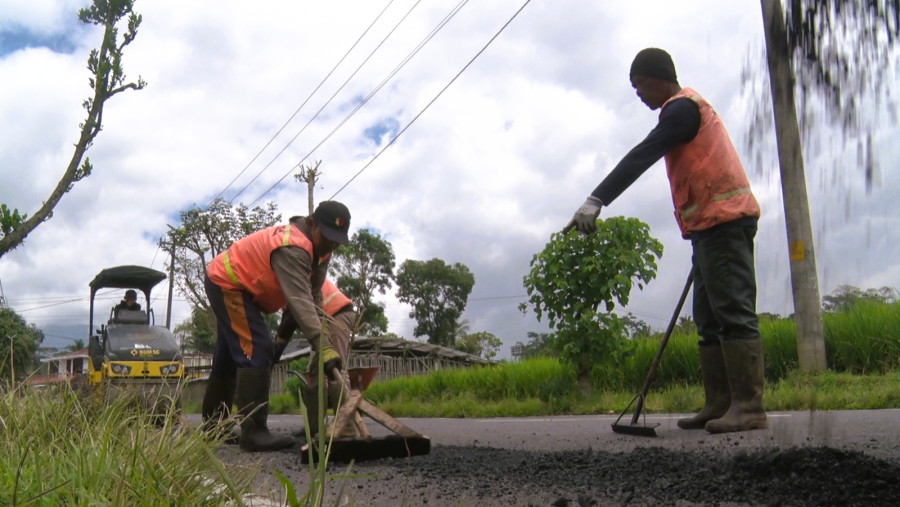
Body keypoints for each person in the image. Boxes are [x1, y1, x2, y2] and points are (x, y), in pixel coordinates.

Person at [566, 48, 766, 434]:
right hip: (709, 229)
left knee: (733, 314)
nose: (638, 93)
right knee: (708, 319)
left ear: (659, 77)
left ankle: (749, 406)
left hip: (725, 224)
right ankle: (719, 403)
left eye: (639, 84)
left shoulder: (682, 109)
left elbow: (644, 153)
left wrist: (597, 199)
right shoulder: (680, 110)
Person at [201, 200, 351, 452]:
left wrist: (318, 336)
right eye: (327, 237)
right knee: (257, 349)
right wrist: (321, 344)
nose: (331, 244)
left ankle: (213, 427)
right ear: (312, 223)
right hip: (229, 283)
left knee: (228, 357)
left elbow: (312, 298)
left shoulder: (321, 251)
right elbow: (300, 301)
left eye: (338, 240)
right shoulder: (293, 247)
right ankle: (254, 433)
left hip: (243, 289)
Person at [273, 278, 356, 438]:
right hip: (324, 320)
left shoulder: (290, 280)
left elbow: (288, 322)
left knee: (335, 370)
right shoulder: (287, 282)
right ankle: (314, 427)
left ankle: (347, 425)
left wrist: (276, 352)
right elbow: (288, 319)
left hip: (337, 315)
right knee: (316, 374)